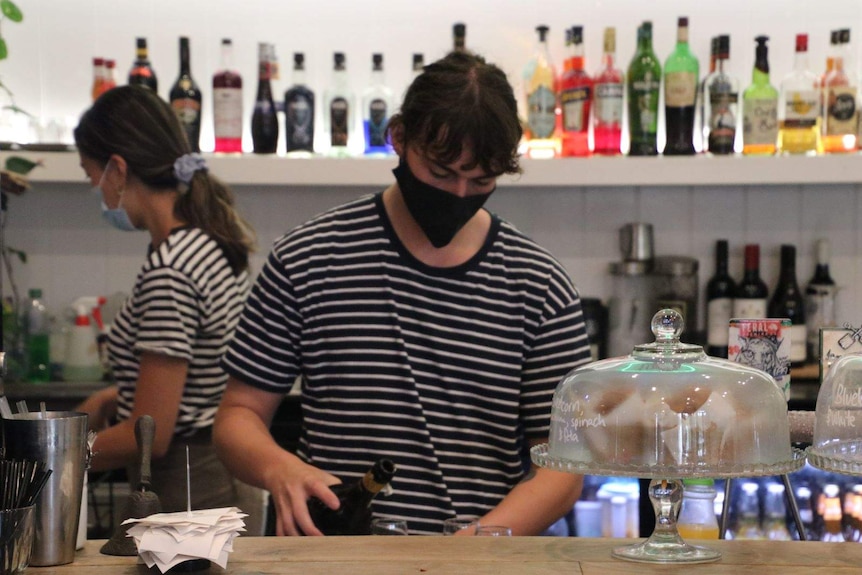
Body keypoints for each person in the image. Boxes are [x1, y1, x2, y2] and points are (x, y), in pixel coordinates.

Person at [213, 51, 592, 536]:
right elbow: (237, 417)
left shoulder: (539, 285)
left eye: (480, 180)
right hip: (332, 560)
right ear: (398, 139)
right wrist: (280, 469)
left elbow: (562, 467)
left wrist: (475, 547)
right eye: (439, 173)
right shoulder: (307, 259)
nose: (457, 193)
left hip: (476, 565)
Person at [73, 85, 264, 533]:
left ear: (118, 170)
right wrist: (112, 398)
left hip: (194, 493)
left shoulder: (171, 269)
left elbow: (152, 436)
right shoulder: (205, 241)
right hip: (221, 481)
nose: (98, 193)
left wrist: (51, 452)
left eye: (92, 176)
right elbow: (199, 378)